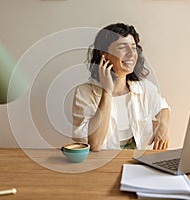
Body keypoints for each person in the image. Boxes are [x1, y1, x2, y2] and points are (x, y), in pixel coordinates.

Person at [72, 23, 170, 151]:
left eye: (133, 47)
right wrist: (107, 92)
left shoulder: (144, 88)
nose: (131, 54)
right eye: (122, 47)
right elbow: (95, 144)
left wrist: (163, 125)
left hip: (136, 163)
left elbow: (163, 107)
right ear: (104, 53)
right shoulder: (84, 92)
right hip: (100, 164)